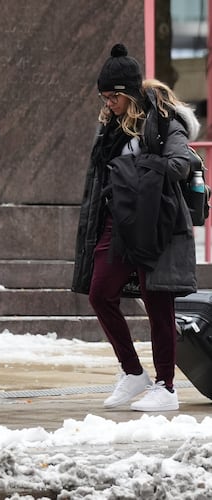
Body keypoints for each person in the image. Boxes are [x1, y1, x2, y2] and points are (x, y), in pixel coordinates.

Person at [71, 43, 200, 412]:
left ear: (129, 93)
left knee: (158, 304)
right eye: (104, 96)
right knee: (100, 293)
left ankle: (166, 387)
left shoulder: (162, 122)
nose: (108, 102)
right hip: (116, 224)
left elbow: (179, 163)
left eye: (113, 96)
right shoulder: (110, 127)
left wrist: (135, 170)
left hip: (155, 223)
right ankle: (133, 373)